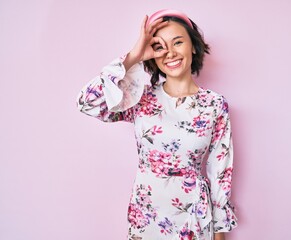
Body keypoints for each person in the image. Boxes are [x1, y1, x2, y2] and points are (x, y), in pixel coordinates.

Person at [76, 9, 237, 240]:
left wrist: (219, 234)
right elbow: (87, 103)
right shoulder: (140, 99)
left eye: (178, 42)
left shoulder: (215, 105)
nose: (170, 53)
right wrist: (134, 55)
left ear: (193, 45)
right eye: (160, 47)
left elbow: (220, 173)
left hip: (193, 216)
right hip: (146, 215)